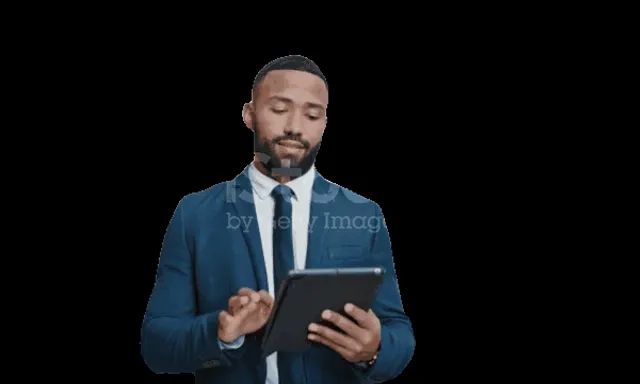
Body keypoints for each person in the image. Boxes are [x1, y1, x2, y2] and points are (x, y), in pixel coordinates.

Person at [141, 55, 415, 383]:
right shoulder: (195, 213)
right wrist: (222, 331)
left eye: (312, 114)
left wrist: (375, 349)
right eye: (279, 109)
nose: (295, 128)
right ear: (249, 114)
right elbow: (156, 345)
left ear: (324, 123)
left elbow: (398, 332)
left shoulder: (363, 214)